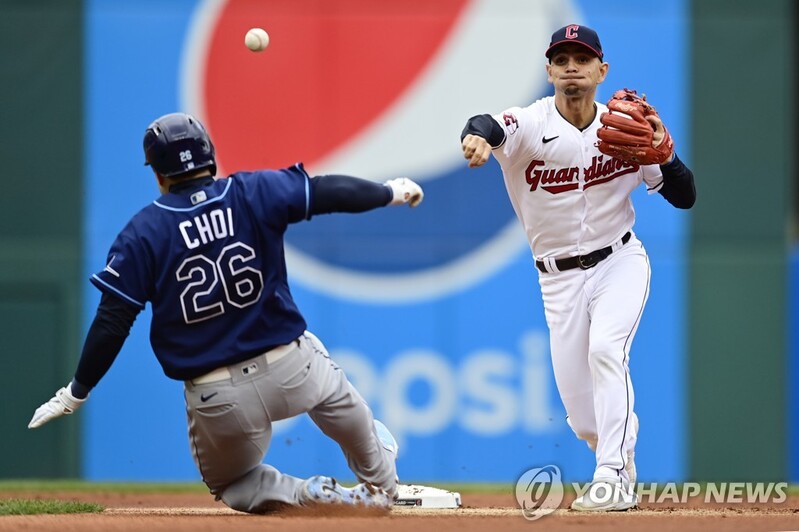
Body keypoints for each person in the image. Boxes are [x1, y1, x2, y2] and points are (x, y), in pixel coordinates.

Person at [28, 112, 424, 513]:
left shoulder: (142, 232)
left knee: (234, 484)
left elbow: (112, 323)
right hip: (291, 368)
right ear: (210, 157)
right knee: (329, 384)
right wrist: (387, 191)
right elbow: (326, 191)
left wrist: (76, 391)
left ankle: (306, 493)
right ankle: (382, 484)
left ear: (159, 175)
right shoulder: (252, 191)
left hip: (218, 397)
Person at [460, 24, 695, 511]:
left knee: (608, 350)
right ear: (548, 71)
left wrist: (666, 155)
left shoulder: (625, 127)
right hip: (558, 280)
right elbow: (486, 123)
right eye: (561, 59)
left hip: (620, 261)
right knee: (582, 417)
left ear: (601, 71)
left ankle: (609, 475)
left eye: (582, 59)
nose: (571, 67)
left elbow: (685, 196)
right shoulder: (530, 123)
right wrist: (475, 138)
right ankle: (618, 466)